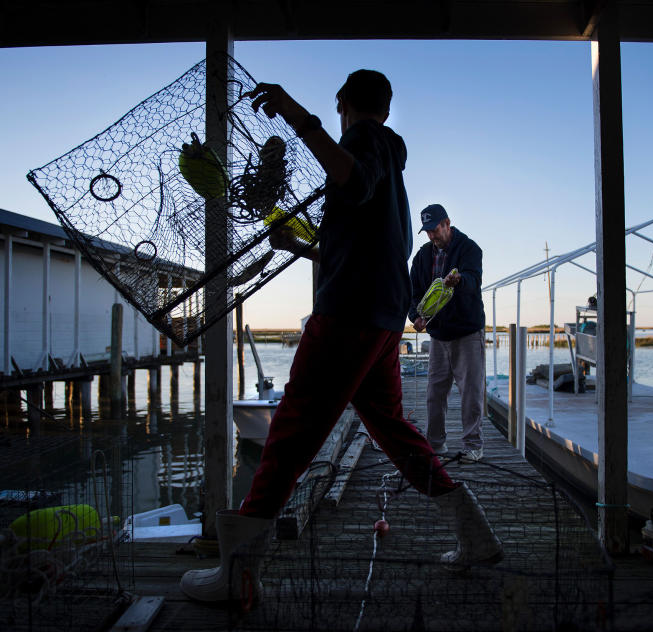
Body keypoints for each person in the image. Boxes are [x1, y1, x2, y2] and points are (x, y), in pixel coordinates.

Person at [180, 70, 502, 607]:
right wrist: (299, 248)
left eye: (333, 111)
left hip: (348, 316)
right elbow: (364, 247)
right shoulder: (391, 170)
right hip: (379, 321)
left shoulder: (364, 139)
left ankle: (237, 574)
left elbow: (349, 179)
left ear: (342, 105)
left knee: (289, 434)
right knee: (394, 431)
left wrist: (291, 112)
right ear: (387, 105)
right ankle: (476, 533)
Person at [409, 204, 487, 463]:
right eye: (428, 231)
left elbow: (473, 279)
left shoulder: (470, 248)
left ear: (447, 223)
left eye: (435, 229)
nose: (432, 235)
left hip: (467, 333)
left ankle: (473, 446)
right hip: (438, 336)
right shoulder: (421, 258)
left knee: (471, 393)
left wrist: (460, 281)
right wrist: (415, 317)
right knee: (434, 394)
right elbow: (414, 295)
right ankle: (435, 444)